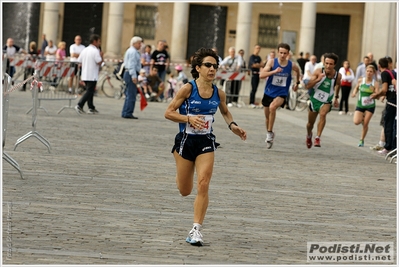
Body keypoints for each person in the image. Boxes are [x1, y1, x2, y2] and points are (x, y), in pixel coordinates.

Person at [164, 47, 247, 246]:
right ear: (198, 68)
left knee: (203, 183)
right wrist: (188, 119)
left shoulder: (219, 93)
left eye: (215, 66)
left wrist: (232, 125)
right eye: (208, 65)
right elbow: (168, 112)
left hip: (206, 142)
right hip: (185, 141)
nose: (212, 69)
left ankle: (196, 229)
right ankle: (179, 166)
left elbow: (225, 112)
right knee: (185, 190)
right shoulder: (187, 89)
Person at [259, 43, 301, 149]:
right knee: (267, 117)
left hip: (281, 93)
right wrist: (274, 71)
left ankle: (269, 135)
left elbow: (298, 71)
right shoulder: (272, 62)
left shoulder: (291, 65)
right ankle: (270, 132)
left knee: (273, 107)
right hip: (269, 92)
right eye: (281, 52)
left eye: (285, 53)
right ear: (278, 52)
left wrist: (297, 83)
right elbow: (262, 75)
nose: (282, 55)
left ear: (288, 54)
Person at [305, 53, 342, 148]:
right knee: (310, 124)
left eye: (331, 64)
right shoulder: (318, 71)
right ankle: (309, 135)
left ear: (334, 65)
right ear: (324, 63)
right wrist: (318, 80)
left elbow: (338, 85)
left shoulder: (338, 75)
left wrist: (336, 98)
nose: (328, 66)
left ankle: (317, 138)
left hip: (327, 100)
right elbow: (308, 86)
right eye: (326, 63)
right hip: (315, 99)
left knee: (323, 114)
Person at [370, 57, 397, 155]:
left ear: (379, 66)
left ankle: (388, 147)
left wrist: (376, 95)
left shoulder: (384, 73)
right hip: (395, 101)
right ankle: (393, 147)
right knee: (394, 125)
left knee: (388, 125)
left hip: (391, 102)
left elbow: (385, 89)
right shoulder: (392, 72)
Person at [74, 34, 103, 115]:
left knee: (90, 90)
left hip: (85, 73)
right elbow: (99, 61)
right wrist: (102, 56)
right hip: (92, 74)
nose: (99, 43)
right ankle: (80, 104)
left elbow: (79, 60)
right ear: (95, 41)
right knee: (90, 91)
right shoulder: (95, 51)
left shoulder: (85, 49)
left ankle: (91, 107)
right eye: (99, 41)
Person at [351, 64, 379, 147]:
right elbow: (356, 88)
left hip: (370, 106)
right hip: (360, 105)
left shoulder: (375, 83)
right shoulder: (361, 80)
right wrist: (354, 93)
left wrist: (374, 93)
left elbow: (377, 94)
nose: (369, 73)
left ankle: (361, 140)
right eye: (367, 71)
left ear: (373, 73)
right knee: (356, 122)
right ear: (365, 71)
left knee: (366, 123)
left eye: (371, 71)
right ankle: (362, 119)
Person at [121, 36, 143, 119]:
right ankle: (128, 112)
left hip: (128, 73)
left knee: (128, 94)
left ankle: (125, 111)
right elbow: (132, 65)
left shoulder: (130, 51)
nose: (140, 45)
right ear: (134, 43)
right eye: (139, 43)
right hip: (131, 74)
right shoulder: (133, 52)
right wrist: (134, 76)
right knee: (131, 94)